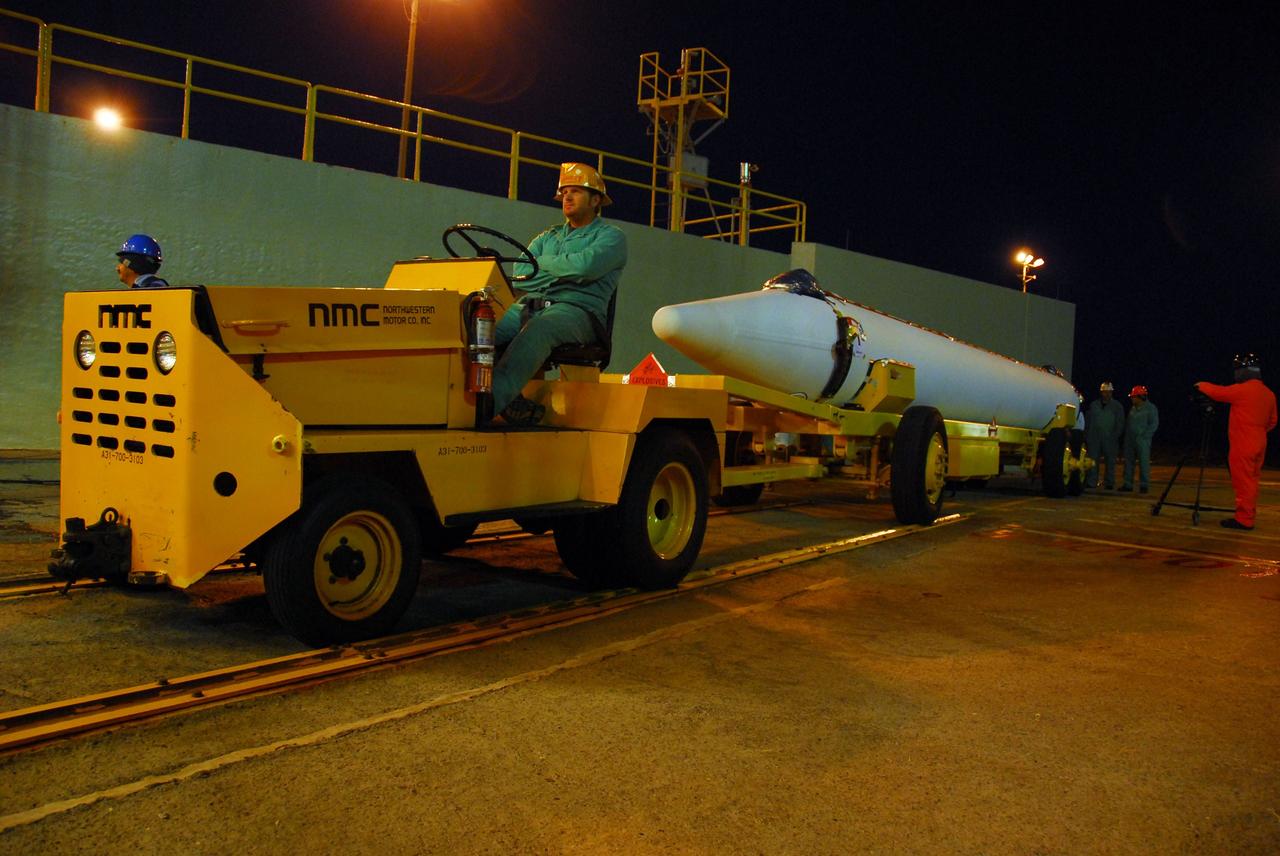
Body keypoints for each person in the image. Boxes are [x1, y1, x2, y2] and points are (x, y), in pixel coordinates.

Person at [492, 163, 627, 425]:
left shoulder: (611, 237)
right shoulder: (548, 236)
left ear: (596, 199)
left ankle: (484, 405)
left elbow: (586, 267)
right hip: (531, 305)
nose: (567, 197)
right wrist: (564, 266)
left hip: (578, 313)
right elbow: (522, 271)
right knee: (482, 322)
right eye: (564, 192)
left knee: (539, 328)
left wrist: (543, 264)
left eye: (576, 191)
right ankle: (487, 394)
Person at [1195, 354, 1277, 530]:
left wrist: (1201, 385)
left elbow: (1218, 393)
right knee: (1252, 481)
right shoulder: (1269, 393)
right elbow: (1273, 421)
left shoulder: (1243, 390)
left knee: (1243, 482)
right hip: (1260, 442)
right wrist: (1257, 431)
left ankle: (1244, 519)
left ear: (1243, 371)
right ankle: (1248, 514)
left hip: (1243, 444)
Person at [1084, 381, 1125, 489]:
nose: (1106, 394)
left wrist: (1115, 435)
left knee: (1110, 461)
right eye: (1104, 392)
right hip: (1094, 438)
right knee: (1093, 461)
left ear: (1112, 392)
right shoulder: (1094, 405)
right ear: (1101, 392)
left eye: (1109, 392)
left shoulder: (1117, 406)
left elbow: (1120, 422)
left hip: (1110, 438)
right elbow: (1088, 421)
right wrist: (1087, 436)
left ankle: (1109, 482)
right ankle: (1092, 481)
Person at [1119, 385, 1158, 493]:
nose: (1132, 398)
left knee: (1144, 463)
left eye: (1134, 397)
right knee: (1129, 462)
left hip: (1143, 440)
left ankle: (1144, 485)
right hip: (1130, 440)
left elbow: (1154, 424)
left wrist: (1145, 436)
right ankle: (1128, 484)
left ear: (1141, 397)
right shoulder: (1133, 409)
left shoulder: (1151, 408)